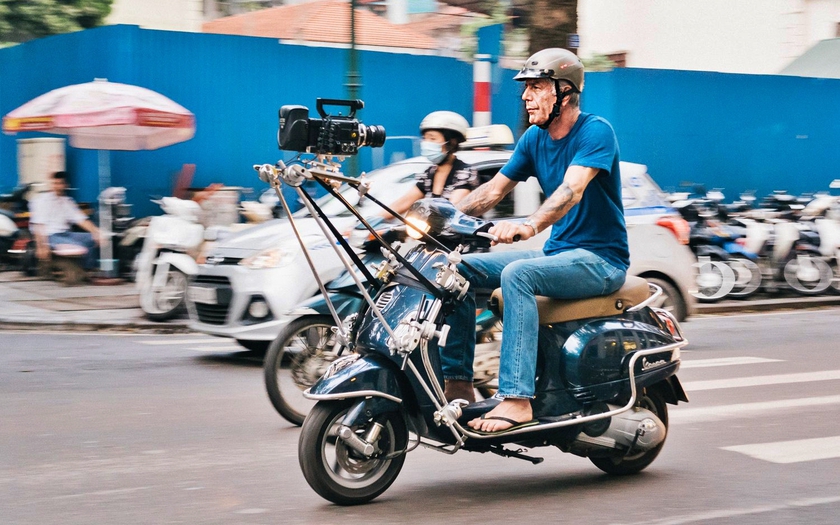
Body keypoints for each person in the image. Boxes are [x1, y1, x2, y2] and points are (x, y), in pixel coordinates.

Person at [439, 48, 630, 433]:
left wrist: (528, 225)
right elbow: (492, 190)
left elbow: (571, 191)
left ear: (565, 92)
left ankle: (517, 399)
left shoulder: (595, 132)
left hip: (600, 261)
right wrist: (441, 216)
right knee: (453, 270)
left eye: (536, 86)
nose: (526, 96)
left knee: (518, 275)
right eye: (525, 87)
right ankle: (458, 385)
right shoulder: (532, 139)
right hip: (559, 256)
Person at [379, 111, 479, 219]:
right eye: (425, 138)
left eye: (432, 139)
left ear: (452, 142)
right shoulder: (429, 174)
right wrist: (376, 218)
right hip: (430, 233)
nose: (426, 143)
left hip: (460, 234)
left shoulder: (465, 173)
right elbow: (405, 202)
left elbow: (454, 207)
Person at [30, 171, 101, 270]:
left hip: (66, 234)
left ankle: (90, 269)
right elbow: (38, 225)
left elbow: (81, 220)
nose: (57, 186)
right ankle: (83, 270)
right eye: (55, 183)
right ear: (51, 184)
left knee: (91, 239)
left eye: (60, 183)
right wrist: (41, 246)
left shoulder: (67, 201)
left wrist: (96, 232)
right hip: (50, 236)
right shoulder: (42, 201)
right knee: (80, 246)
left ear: (65, 185)